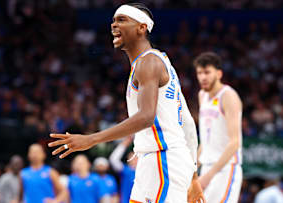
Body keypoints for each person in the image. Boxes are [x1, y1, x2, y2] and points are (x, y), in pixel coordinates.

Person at [48, 3, 204, 203]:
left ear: (142, 28)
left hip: (163, 159)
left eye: (122, 20)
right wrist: (192, 176)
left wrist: (91, 139)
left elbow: (147, 117)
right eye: (113, 20)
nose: (114, 25)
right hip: (156, 161)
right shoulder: (160, 63)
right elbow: (187, 123)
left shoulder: (148, 63)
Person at [194, 52, 243, 202]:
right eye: (199, 73)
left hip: (226, 168)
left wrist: (209, 176)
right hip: (207, 167)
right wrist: (193, 169)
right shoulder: (202, 95)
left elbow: (235, 142)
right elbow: (205, 140)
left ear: (219, 74)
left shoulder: (228, 96)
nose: (203, 77)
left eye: (207, 72)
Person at [109, 136, 137, 203]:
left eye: (136, 157)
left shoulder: (145, 172)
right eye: (131, 157)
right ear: (128, 160)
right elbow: (113, 160)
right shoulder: (126, 170)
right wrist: (124, 144)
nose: (134, 159)